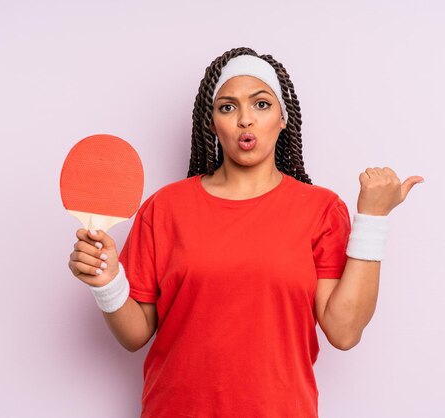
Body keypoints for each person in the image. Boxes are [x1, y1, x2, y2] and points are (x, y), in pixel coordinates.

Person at [67, 46, 424, 417]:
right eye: (227, 107)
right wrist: (107, 282)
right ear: (211, 122)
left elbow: (344, 331)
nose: (245, 120)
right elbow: (135, 335)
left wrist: (372, 220)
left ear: (283, 118)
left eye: (261, 104)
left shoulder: (320, 210)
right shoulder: (164, 208)